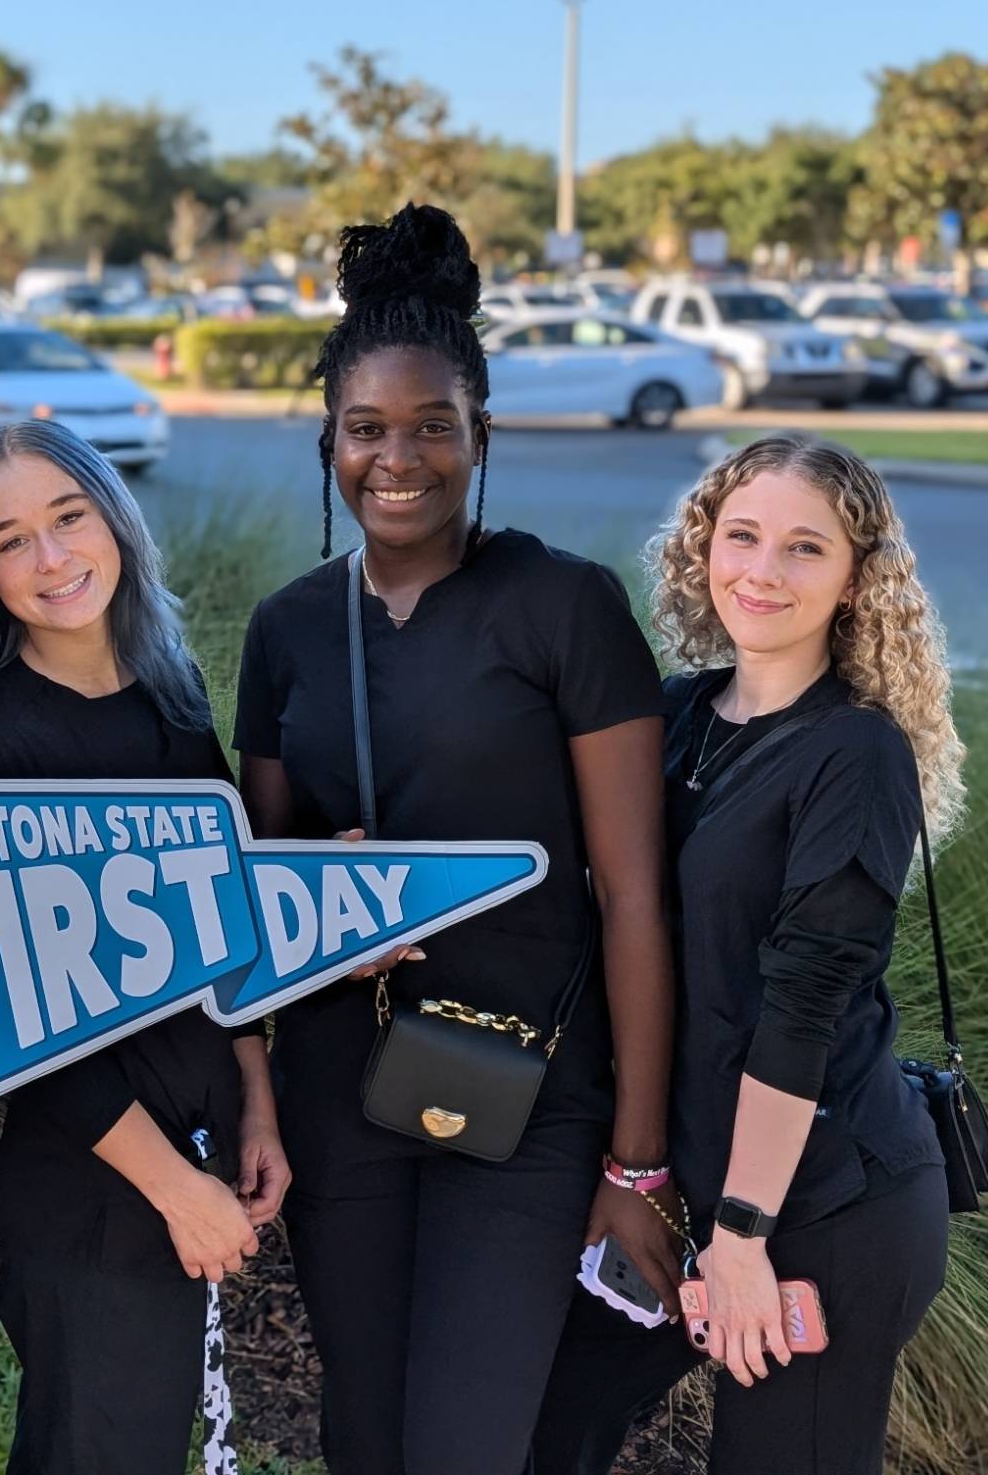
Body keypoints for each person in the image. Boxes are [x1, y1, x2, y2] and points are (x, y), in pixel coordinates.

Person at [231, 203, 679, 1475]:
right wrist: (329, 915)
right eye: (366, 430)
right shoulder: (287, 631)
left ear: (483, 433)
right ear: (327, 441)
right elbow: (258, 896)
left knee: (468, 1445)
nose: (399, 458)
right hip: (342, 1090)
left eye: (434, 425)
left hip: (527, 1095)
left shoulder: (563, 608)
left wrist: (637, 1164)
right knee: (364, 1440)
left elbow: (633, 896)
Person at [530, 437, 961, 1475]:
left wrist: (740, 1237)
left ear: (855, 579)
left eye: (803, 548)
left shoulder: (855, 755)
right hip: (676, 1193)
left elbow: (802, 1007)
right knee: (540, 1428)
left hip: (815, 1208)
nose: (760, 572)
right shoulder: (676, 718)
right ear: (701, 547)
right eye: (741, 537)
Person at [0, 419, 289, 1475]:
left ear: (115, 520)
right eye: (9, 541)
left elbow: (213, 937)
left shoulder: (169, 694)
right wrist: (174, 1189)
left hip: (198, 1142)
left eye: (67, 517)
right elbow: (15, 1021)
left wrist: (255, 1110)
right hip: (95, 1183)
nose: (50, 559)